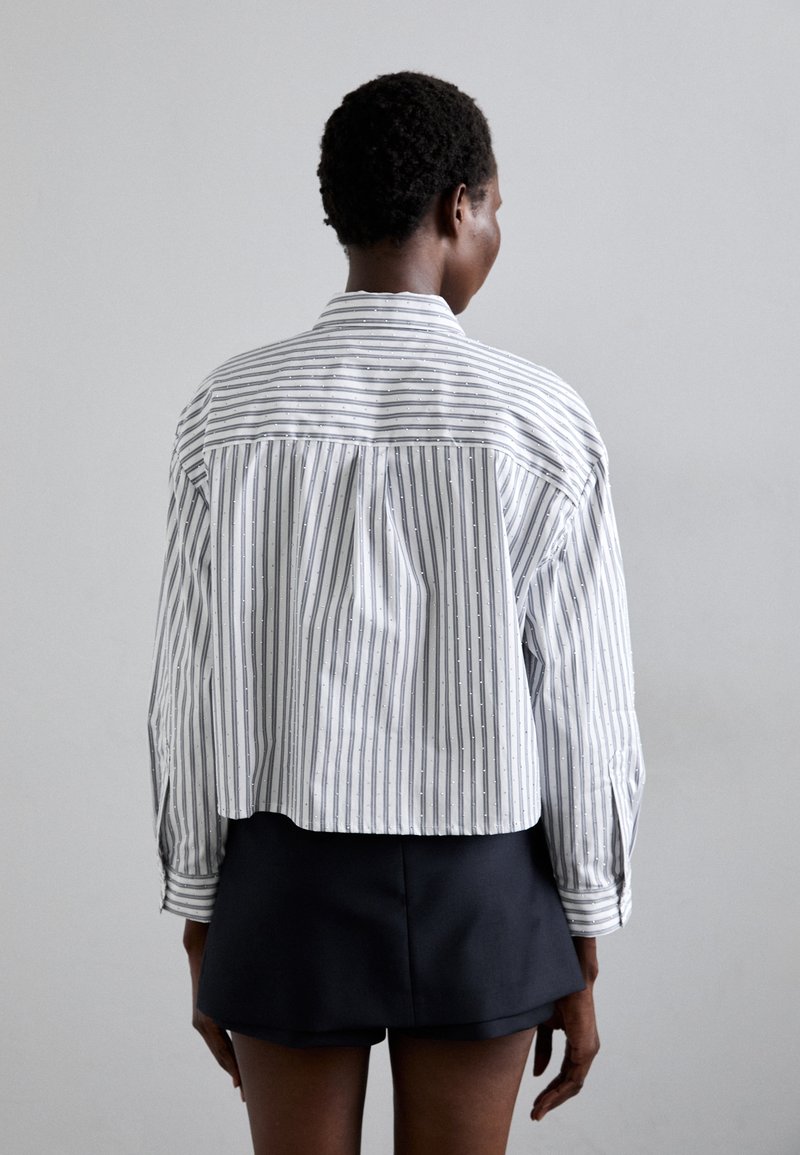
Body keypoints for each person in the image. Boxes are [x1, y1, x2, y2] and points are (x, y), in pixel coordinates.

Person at [147, 70, 646, 1155]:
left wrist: (199, 899)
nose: (495, 231)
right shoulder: (540, 419)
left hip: (281, 876)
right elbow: (582, 701)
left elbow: (188, 688)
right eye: (495, 207)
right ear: (458, 205)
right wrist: (584, 919)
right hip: (485, 882)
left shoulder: (226, 413)